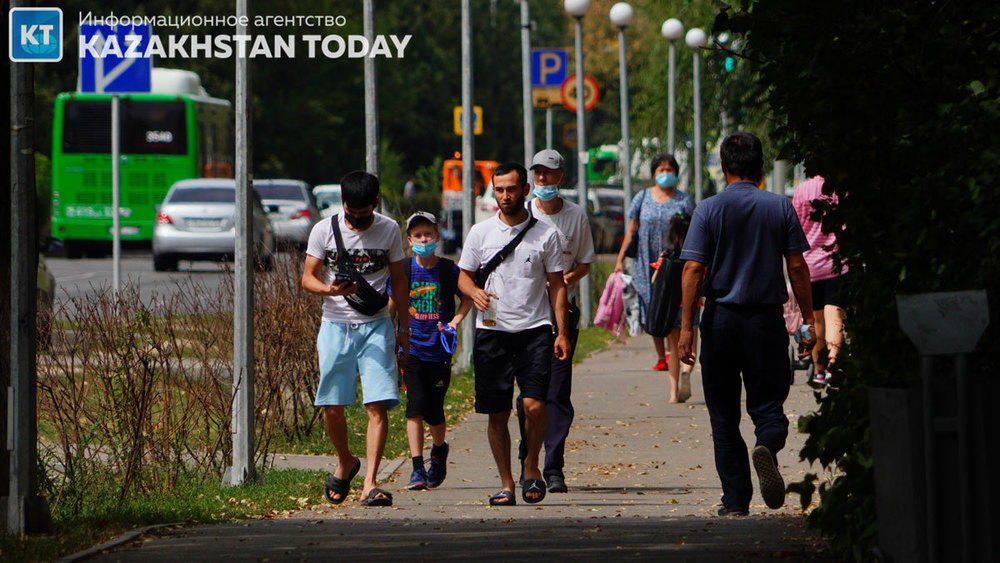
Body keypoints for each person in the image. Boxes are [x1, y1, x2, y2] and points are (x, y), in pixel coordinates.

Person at [677, 133, 816, 516]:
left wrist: (687, 327)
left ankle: (736, 501)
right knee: (769, 405)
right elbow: (798, 267)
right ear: (760, 167)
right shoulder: (780, 207)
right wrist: (809, 319)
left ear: (723, 168)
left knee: (723, 414)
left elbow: (692, 268)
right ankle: (767, 446)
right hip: (765, 322)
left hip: (720, 321)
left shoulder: (707, 210)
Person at [457, 162, 571, 506]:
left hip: (535, 331)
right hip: (492, 332)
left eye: (511, 189)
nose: (505, 196)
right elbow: (463, 276)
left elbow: (557, 287)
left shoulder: (546, 234)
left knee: (535, 406)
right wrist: (473, 291)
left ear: (525, 190)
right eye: (499, 189)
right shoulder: (480, 232)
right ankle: (507, 482)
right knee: (497, 413)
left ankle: (532, 466)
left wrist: (561, 331)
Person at [301, 170, 410, 507]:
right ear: (344, 203)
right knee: (331, 406)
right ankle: (346, 461)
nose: (358, 220)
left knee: (377, 404)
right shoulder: (324, 229)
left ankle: (371, 483)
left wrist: (401, 322)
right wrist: (328, 290)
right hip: (335, 325)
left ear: (375, 204)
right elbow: (307, 277)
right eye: (352, 213)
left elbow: (400, 279)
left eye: (365, 214)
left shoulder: (389, 229)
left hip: (376, 324)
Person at [514, 149, 595, 494]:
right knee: (529, 395)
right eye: (538, 173)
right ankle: (527, 457)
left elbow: (586, 262)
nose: (543, 179)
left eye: (549, 174)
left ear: (562, 177)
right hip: (527, 317)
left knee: (557, 392)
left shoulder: (576, 216)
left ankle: (554, 464)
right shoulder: (522, 214)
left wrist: (561, 282)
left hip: (563, 316)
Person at [390, 212, 473, 490]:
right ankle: (416, 469)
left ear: (436, 237)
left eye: (428, 234)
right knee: (414, 407)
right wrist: (390, 333)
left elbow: (468, 297)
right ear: (410, 240)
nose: (423, 239)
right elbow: (392, 303)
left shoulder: (449, 270)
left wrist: (454, 323)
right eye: (418, 235)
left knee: (434, 411)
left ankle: (439, 450)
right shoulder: (403, 269)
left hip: (439, 351)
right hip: (411, 349)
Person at [615, 154, 696, 371]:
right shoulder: (642, 198)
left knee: (674, 305)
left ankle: (677, 352)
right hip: (646, 262)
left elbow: (693, 231)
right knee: (652, 306)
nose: (665, 174)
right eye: (661, 170)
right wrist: (620, 259)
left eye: (669, 170)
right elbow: (631, 230)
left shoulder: (685, 201)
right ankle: (662, 356)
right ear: (654, 174)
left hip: (675, 263)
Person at [792, 176, 848, 388]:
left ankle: (818, 370)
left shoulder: (802, 190)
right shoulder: (839, 188)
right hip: (837, 263)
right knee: (835, 318)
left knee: (814, 320)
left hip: (809, 266)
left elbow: (795, 227)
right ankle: (833, 367)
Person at [649, 212, 698, 402]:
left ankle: (673, 394)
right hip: (691, 306)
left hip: (670, 307)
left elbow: (655, 280)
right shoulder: (695, 254)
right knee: (692, 347)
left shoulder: (666, 255)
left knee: (674, 351)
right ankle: (687, 372)